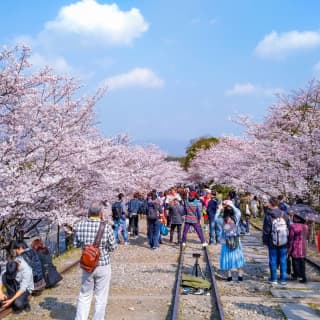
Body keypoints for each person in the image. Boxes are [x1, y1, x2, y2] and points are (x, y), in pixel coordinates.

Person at [74, 200, 117, 320]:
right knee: (101, 297)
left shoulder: (80, 225)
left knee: (84, 295)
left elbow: (76, 244)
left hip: (87, 265)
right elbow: (113, 247)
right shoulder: (106, 227)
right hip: (103, 264)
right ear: (100, 213)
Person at [262, 197, 290, 285]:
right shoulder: (284, 214)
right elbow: (288, 227)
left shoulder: (268, 215)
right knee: (283, 259)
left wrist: (265, 241)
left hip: (272, 241)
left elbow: (266, 230)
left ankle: (273, 279)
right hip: (284, 241)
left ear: (271, 204)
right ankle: (283, 279)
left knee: (273, 259)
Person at [215, 200, 245, 281]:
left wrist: (219, 209)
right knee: (238, 256)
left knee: (227, 257)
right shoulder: (236, 218)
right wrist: (232, 205)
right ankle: (240, 275)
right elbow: (238, 212)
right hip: (236, 240)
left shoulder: (221, 220)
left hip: (225, 241)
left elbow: (215, 219)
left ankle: (229, 276)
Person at [288, 212, 309, 283]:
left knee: (295, 261)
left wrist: (289, 248)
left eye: (294, 217)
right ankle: (303, 277)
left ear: (297, 218)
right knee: (302, 262)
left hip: (296, 246)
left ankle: (296, 274)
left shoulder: (293, 226)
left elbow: (291, 238)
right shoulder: (305, 226)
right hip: (303, 246)